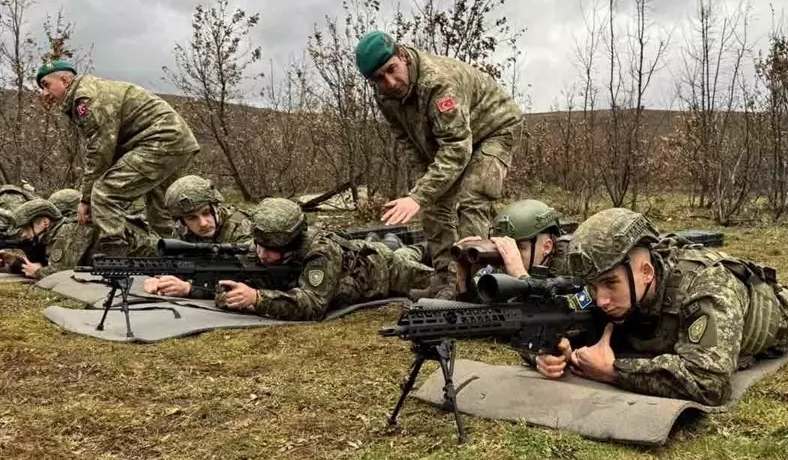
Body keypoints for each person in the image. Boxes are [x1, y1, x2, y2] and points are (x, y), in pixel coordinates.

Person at [534, 208, 788, 406]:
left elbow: (709, 381)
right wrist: (554, 351)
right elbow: (565, 325)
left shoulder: (706, 288)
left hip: (777, 317)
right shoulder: (615, 293)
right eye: (592, 287)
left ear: (645, 271)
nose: (601, 300)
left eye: (610, 284)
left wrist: (613, 371)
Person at [355, 31, 524, 299]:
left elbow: (457, 148)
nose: (390, 82)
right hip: (453, 139)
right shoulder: (385, 95)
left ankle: (477, 283)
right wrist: (423, 191)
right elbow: (407, 140)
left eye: (392, 70)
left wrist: (418, 195)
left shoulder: (439, 82)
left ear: (402, 56)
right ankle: (447, 279)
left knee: (472, 197)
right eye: (379, 78)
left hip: (495, 130)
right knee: (432, 205)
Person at [36, 59, 200, 256]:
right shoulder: (91, 90)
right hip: (174, 141)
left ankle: (114, 257)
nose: (44, 93)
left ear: (65, 79)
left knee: (105, 192)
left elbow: (100, 150)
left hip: (159, 141)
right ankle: (176, 260)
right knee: (160, 211)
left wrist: (86, 198)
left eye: (46, 85)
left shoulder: (86, 99)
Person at [215, 198, 432, 321]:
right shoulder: (265, 239)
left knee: (434, 277)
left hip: (384, 271)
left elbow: (313, 304)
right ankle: (412, 247)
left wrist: (258, 299)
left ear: (292, 244)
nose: (262, 254)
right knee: (406, 251)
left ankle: (428, 246)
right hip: (366, 255)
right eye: (259, 245)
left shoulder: (321, 251)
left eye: (272, 250)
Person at [142, 175, 253, 300]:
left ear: (215, 207)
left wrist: (190, 289)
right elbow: (180, 267)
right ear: (182, 221)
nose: (203, 223)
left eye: (206, 213)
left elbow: (246, 283)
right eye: (191, 218)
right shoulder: (182, 233)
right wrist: (161, 281)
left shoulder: (240, 227)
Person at [1, 198, 157, 280]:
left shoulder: (68, 231)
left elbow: (62, 274)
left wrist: (39, 272)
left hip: (153, 258)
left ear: (44, 222)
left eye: (25, 228)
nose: (23, 234)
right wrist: (11, 259)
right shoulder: (58, 233)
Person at [454, 198, 569, 301]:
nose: (508, 255)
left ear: (546, 247)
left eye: (518, 247)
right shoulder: (497, 269)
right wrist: (464, 282)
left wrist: (520, 276)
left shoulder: (570, 266)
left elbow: (552, 318)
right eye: (501, 246)